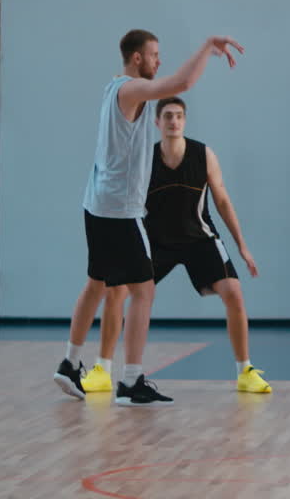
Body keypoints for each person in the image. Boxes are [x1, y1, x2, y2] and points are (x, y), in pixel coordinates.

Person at [52, 30, 243, 406]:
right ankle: (131, 381)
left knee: (96, 284)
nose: (159, 61)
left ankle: (69, 363)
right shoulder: (131, 89)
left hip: (96, 204)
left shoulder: (113, 89)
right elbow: (184, 82)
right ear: (137, 58)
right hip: (120, 210)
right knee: (144, 290)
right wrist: (207, 47)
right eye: (154, 55)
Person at [81, 96, 270, 395]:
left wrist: (242, 246)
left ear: (184, 120)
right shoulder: (145, 158)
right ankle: (102, 370)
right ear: (157, 123)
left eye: (179, 116)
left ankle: (245, 371)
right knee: (116, 292)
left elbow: (221, 199)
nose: (173, 121)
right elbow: (126, 201)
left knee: (233, 292)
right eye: (167, 116)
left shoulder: (204, 154)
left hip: (199, 238)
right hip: (156, 240)